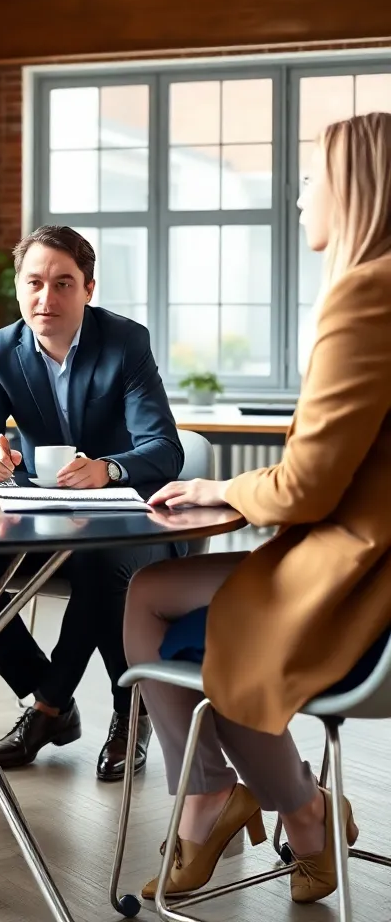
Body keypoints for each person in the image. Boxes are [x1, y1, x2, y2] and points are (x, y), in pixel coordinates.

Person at [124, 110, 391, 904]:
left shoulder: (364, 298)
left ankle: (275, 809)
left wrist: (221, 490)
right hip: (370, 561)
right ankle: (234, 797)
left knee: (191, 637)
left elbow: (310, 487)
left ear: (353, 189)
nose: (300, 195)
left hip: (357, 575)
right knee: (148, 591)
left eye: (311, 178)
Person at [0, 225, 185, 781]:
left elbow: (164, 448)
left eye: (63, 284)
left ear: (88, 288)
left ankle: (74, 711)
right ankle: (47, 694)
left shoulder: (125, 342)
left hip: (126, 530)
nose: (46, 297)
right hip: (45, 524)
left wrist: (108, 468)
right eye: (34, 282)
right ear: (18, 287)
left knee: (99, 566)